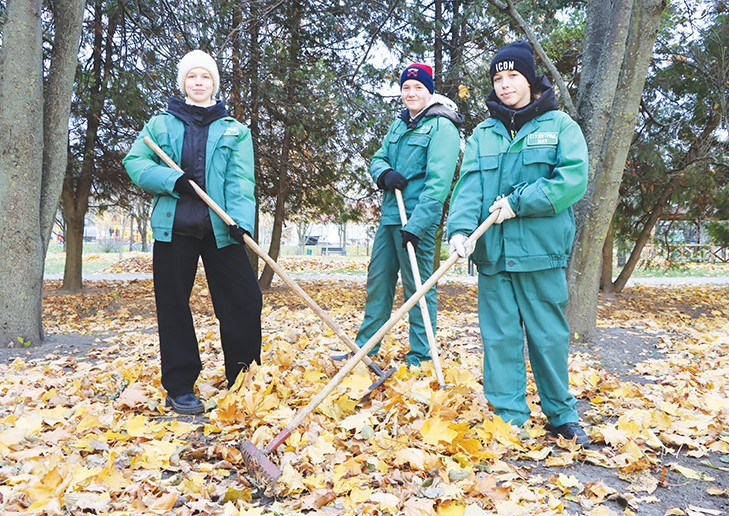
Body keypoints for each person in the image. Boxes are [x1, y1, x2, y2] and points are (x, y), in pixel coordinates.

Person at [447, 41, 590, 445]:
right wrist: (459, 232)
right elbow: (469, 187)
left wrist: (519, 203)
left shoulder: (560, 126)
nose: (505, 84)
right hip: (493, 255)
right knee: (500, 339)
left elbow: (572, 180)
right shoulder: (483, 133)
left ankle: (562, 414)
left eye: (513, 76)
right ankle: (509, 417)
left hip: (540, 253)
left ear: (529, 79)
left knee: (548, 337)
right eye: (498, 78)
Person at [123, 50, 261, 415]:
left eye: (205, 77)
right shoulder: (161, 125)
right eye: (192, 77)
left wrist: (241, 221)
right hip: (175, 230)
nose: (198, 82)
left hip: (221, 229)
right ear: (183, 82)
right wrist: (172, 179)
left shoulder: (234, 129)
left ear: (214, 83)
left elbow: (241, 182)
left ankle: (243, 380)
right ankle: (180, 386)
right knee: (173, 307)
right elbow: (135, 162)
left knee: (245, 301)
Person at [344, 63, 462, 367]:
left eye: (418, 87)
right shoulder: (399, 125)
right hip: (390, 219)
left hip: (416, 224)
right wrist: (384, 174)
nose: (411, 93)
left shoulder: (442, 127)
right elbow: (378, 157)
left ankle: (421, 358)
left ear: (429, 91)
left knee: (419, 291)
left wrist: (418, 226)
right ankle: (364, 351)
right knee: (378, 285)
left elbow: (438, 184)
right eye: (406, 88)